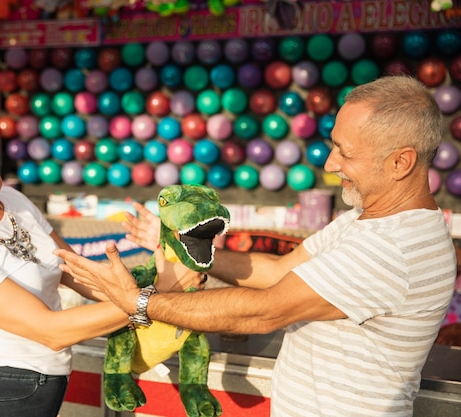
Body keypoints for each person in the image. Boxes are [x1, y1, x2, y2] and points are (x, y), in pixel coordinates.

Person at [53, 75, 458, 417]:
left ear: (401, 162)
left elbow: (266, 311)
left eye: (345, 152)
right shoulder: (361, 221)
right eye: (334, 144)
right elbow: (279, 271)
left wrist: (140, 302)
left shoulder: (394, 247)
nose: (331, 164)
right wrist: (188, 249)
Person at [0, 105, 201, 417]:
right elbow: (50, 331)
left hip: (38, 387)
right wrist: (151, 298)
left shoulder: (9, 198)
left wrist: (161, 281)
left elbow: (72, 270)